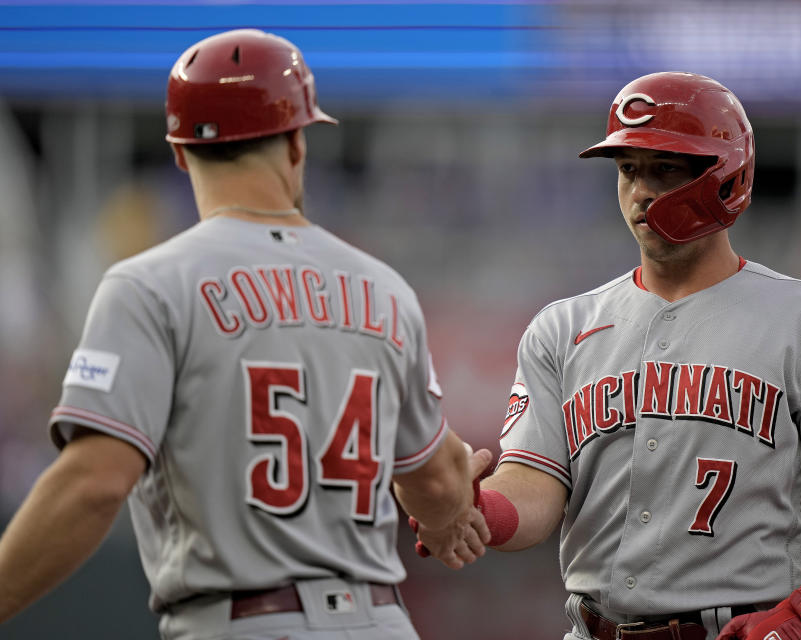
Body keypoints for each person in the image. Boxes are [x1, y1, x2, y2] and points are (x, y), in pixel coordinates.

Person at [0, 29, 490, 640]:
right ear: (295, 142)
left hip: (241, 623)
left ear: (180, 154)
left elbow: (93, 482)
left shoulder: (149, 284)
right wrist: (448, 519)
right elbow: (440, 481)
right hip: (380, 623)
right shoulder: (384, 287)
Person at [412, 72, 801, 640]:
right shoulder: (562, 327)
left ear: (725, 177)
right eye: (628, 169)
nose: (641, 192)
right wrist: (476, 508)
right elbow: (533, 487)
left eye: (666, 169)